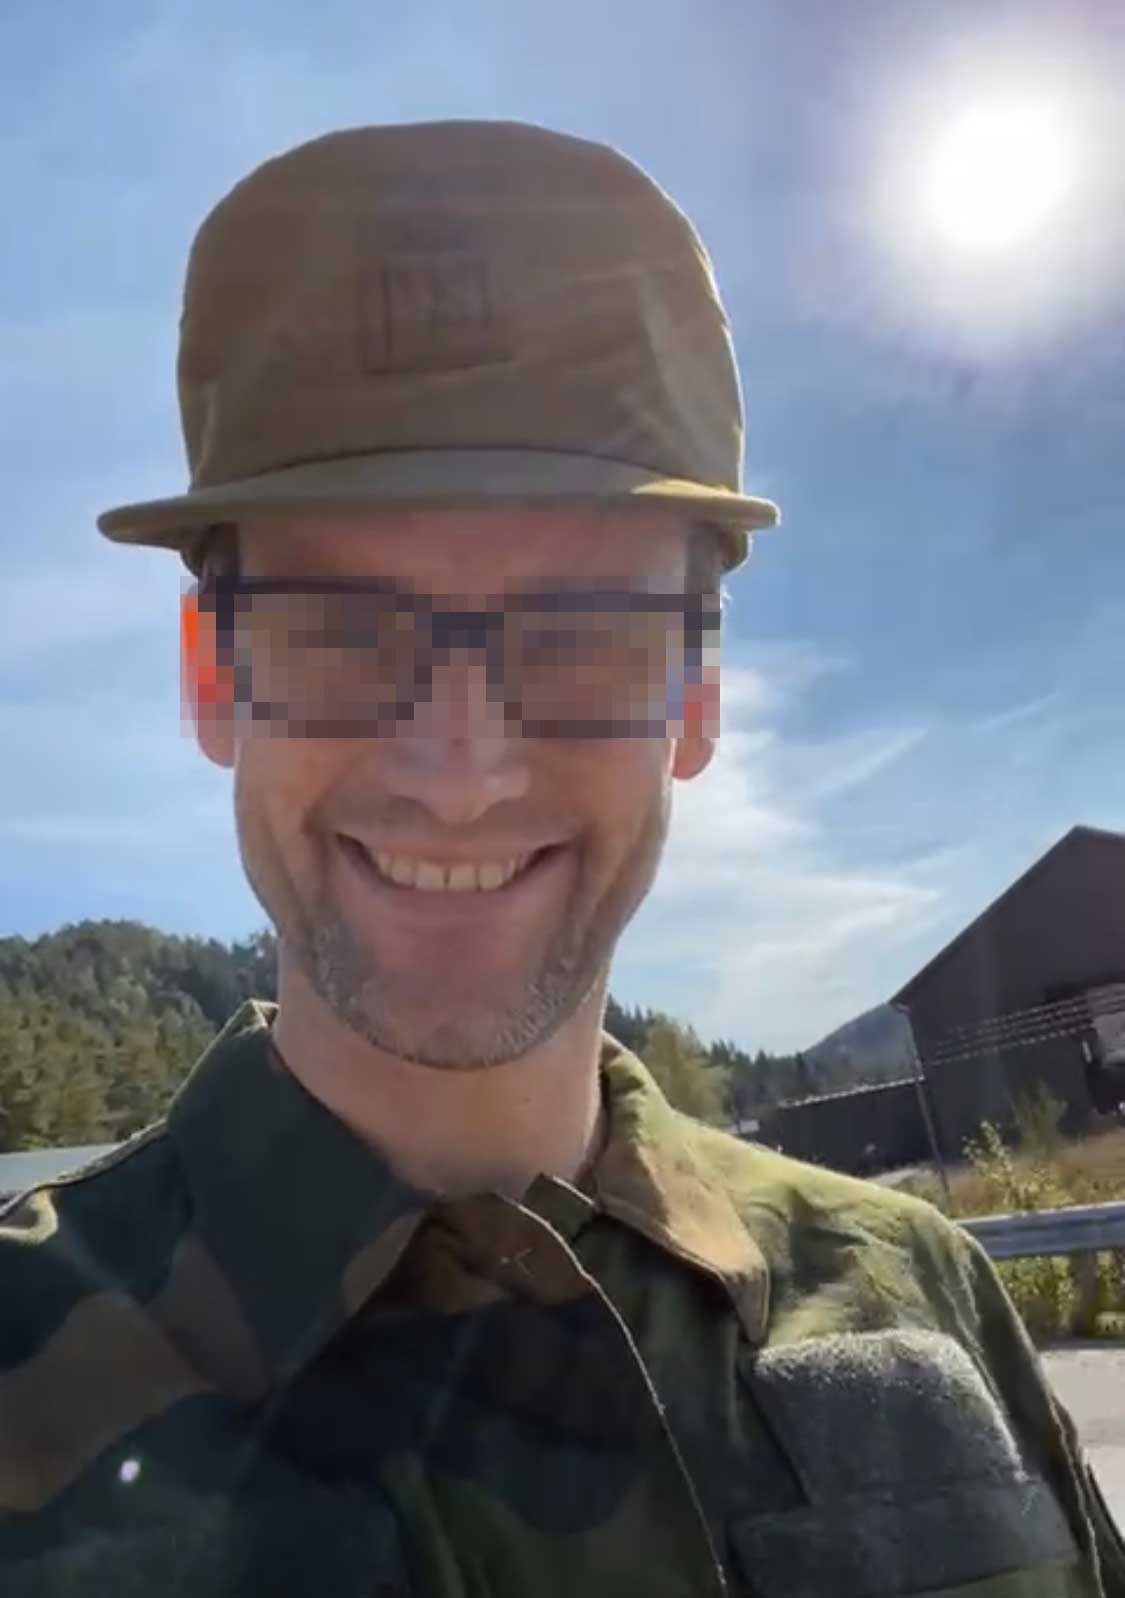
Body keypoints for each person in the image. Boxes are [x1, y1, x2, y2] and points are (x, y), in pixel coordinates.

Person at [1, 120, 1122, 1598]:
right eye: (340, 633)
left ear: (696, 700)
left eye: (582, 636)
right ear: (215, 681)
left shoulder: (926, 1304)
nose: (458, 770)